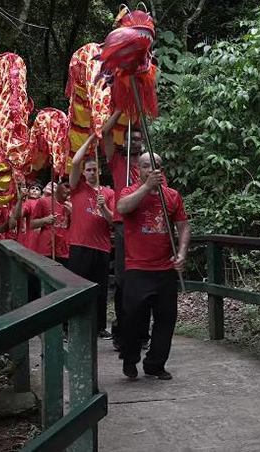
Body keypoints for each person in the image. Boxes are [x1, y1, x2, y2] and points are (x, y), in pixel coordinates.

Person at [115, 152, 191, 380]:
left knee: (166, 319)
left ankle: (155, 364)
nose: (151, 170)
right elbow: (122, 208)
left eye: (156, 166)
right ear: (138, 170)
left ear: (162, 170)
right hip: (137, 267)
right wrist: (146, 187)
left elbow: (184, 226)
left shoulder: (172, 196)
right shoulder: (129, 192)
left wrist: (181, 252)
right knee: (131, 319)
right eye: (146, 166)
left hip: (164, 268)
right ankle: (130, 358)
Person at [100, 113, 148, 348]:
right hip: (123, 224)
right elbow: (105, 133)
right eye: (132, 139)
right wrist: (120, 107)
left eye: (139, 139)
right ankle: (121, 332)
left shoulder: (149, 165)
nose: (136, 143)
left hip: (145, 225)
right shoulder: (119, 161)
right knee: (123, 279)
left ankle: (142, 334)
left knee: (145, 277)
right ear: (126, 141)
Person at [66, 133, 115, 338]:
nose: (92, 172)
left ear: (100, 171)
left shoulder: (108, 193)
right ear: (84, 173)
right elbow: (76, 161)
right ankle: (71, 327)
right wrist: (91, 140)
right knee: (76, 288)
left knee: (100, 290)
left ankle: (99, 327)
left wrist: (103, 208)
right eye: (89, 170)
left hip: (102, 247)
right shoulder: (77, 188)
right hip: (79, 244)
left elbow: (113, 221)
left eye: (95, 169)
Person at [31, 178, 71, 266]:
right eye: (66, 186)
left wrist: (72, 214)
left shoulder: (72, 204)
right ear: (58, 186)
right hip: (46, 249)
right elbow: (31, 224)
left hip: (65, 251)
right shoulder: (44, 201)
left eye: (70, 187)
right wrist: (45, 220)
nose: (68, 190)